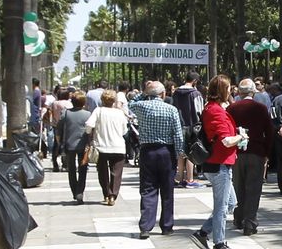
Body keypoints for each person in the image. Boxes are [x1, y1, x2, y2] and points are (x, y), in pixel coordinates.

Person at [191, 75, 242, 249]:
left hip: (221, 163)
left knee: (231, 203)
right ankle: (219, 243)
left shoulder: (215, 109)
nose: (231, 91)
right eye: (228, 88)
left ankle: (203, 232)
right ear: (221, 90)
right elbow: (226, 140)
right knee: (221, 206)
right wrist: (242, 137)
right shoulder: (215, 111)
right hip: (218, 163)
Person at [129, 81, 184, 240]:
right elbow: (178, 135)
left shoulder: (142, 106)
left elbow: (130, 104)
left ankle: (145, 227)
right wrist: (180, 154)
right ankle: (167, 226)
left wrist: (143, 92)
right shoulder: (171, 109)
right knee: (167, 189)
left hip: (148, 151)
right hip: (167, 151)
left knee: (148, 189)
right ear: (163, 94)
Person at [228, 79, 273, 236]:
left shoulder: (231, 108)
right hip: (256, 152)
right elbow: (269, 131)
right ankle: (250, 222)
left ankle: (239, 217)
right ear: (253, 92)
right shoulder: (261, 108)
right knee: (253, 188)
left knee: (238, 186)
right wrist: (267, 152)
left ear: (239, 92)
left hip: (236, 153)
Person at [85, 89, 130, 206]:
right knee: (116, 173)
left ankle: (106, 193)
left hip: (101, 146)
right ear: (114, 101)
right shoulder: (120, 113)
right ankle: (113, 195)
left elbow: (89, 125)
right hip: (118, 146)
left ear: (102, 100)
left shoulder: (98, 111)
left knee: (103, 172)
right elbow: (124, 130)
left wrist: (89, 133)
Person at [57, 91, 92, 203]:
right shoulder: (87, 114)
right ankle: (80, 192)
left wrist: (59, 142)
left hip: (69, 145)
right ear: (83, 102)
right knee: (83, 169)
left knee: (71, 169)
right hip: (83, 145)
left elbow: (59, 129)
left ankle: (74, 191)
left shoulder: (65, 113)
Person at [172, 74, 205, 187]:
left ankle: (179, 177)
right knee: (191, 152)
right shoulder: (195, 93)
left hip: (179, 125)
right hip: (192, 125)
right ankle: (190, 179)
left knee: (181, 153)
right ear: (195, 80)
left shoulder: (176, 92)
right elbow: (199, 110)